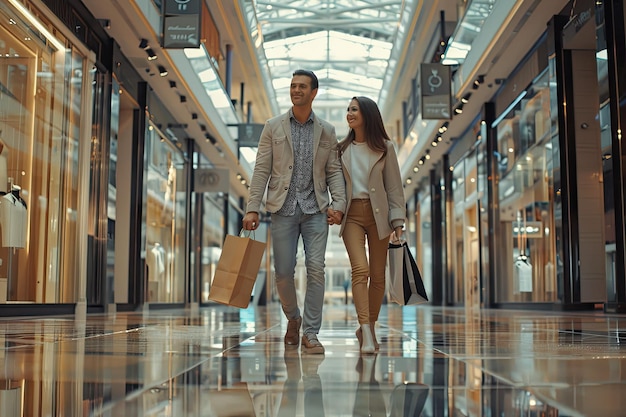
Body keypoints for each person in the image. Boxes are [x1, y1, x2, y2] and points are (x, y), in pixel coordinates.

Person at [243, 69, 346, 355]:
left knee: (316, 269)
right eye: (293, 86)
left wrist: (339, 204)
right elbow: (261, 168)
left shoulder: (326, 130)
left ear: (314, 93)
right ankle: (293, 318)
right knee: (283, 273)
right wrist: (253, 207)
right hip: (282, 209)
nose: (296, 90)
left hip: (316, 210)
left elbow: (334, 170)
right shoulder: (273, 126)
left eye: (302, 86)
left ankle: (311, 333)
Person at [330, 96, 405, 354]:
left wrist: (398, 222)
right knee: (360, 269)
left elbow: (394, 187)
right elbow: (336, 185)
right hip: (352, 214)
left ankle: (368, 328)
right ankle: (365, 327)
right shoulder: (340, 150)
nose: (349, 114)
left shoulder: (385, 147)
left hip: (379, 216)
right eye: (348, 109)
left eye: (355, 110)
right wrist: (336, 208)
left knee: (378, 275)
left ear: (368, 115)